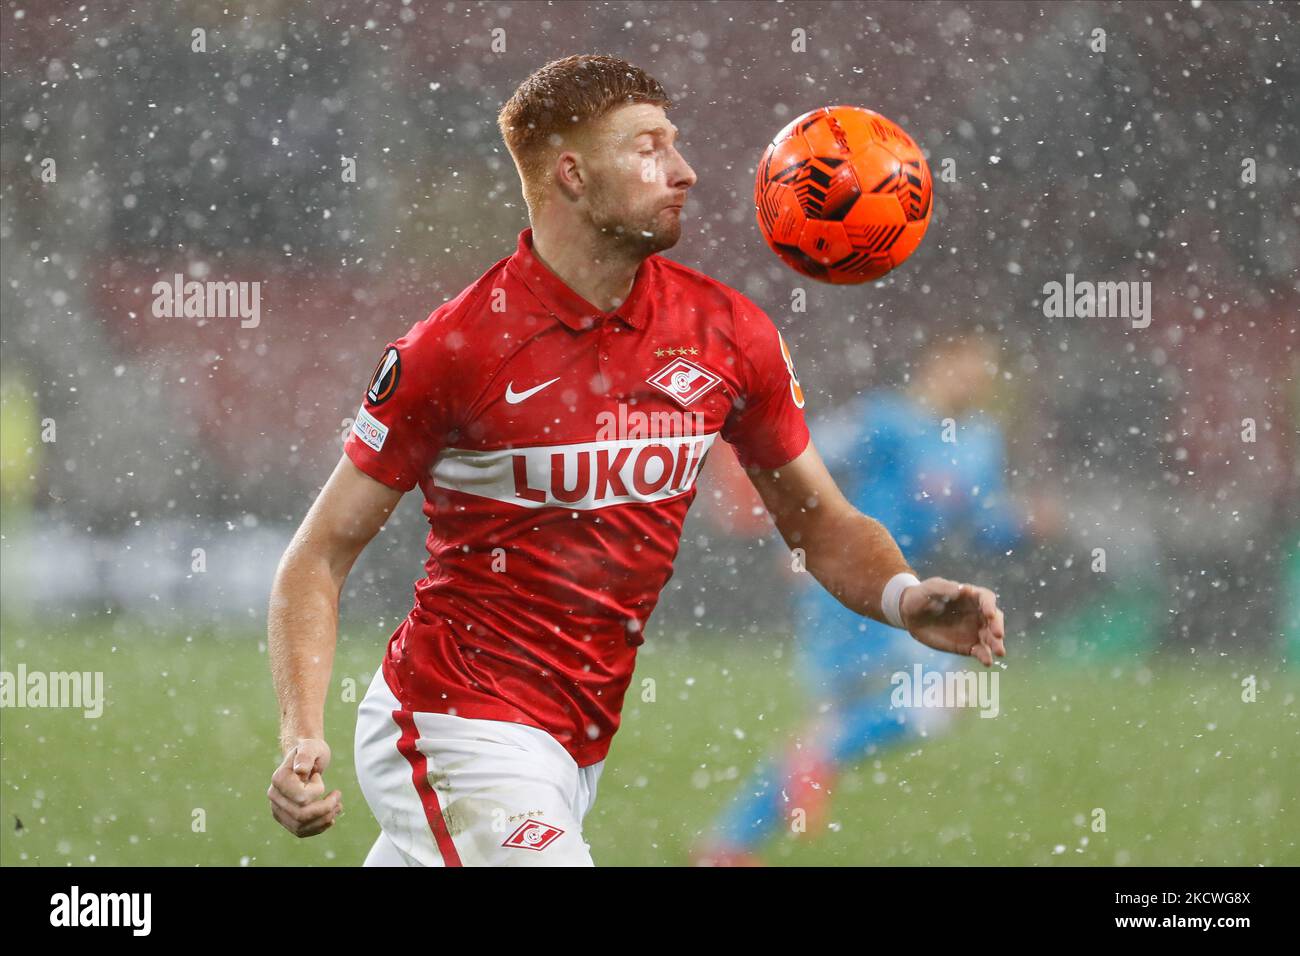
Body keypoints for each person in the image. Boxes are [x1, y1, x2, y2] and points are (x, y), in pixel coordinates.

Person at [266, 54, 1006, 867]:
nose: (684, 171)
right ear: (572, 175)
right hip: (451, 720)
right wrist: (302, 736)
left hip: (574, 745)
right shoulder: (453, 349)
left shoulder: (731, 335)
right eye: (650, 148)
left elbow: (820, 523)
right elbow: (318, 555)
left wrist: (905, 598)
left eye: (677, 143)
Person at [696, 332, 1046, 865]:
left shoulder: (979, 440)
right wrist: (792, 537)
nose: (975, 379)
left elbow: (981, 523)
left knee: (850, 717)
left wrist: (1024, 524)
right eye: (967, 364)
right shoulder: (886, 421)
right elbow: (800, 457)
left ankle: (727, 845)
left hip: (907, 592)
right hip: (850, 581)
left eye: (986, 370)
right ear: (937, 361)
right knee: (937, 699)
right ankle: (811, 761)